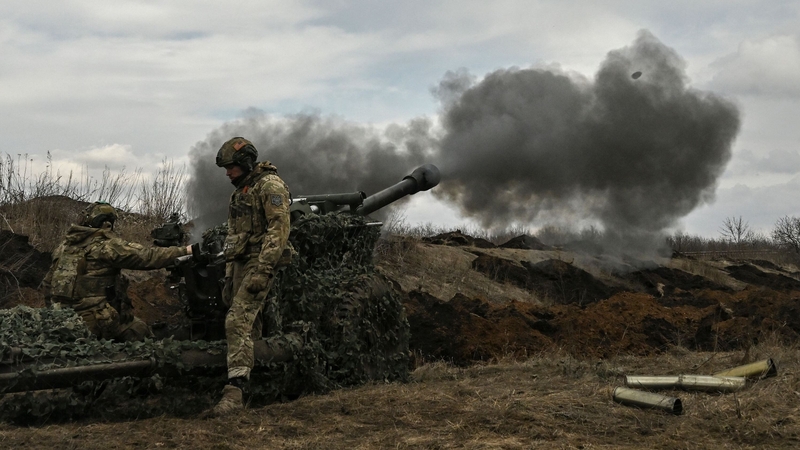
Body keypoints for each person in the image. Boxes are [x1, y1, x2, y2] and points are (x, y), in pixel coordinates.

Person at [209, 137, 291, 416]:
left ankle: (235, 393)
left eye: (231, 167)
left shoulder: (270, 186)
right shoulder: (241, 191)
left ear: (245, 163)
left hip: (260, 263)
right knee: (249, 327)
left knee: (238, 320)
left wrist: (264, 269)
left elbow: (278, 230)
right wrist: (230, 274)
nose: (228, 173)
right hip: (241, 265)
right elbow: (235, 237)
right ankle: (263, 384)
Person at [42, 201, 192, 341]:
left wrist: (57, 315)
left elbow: (47, 285)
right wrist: (185, 250)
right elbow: (147, 257)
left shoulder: (63, 247)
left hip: (62, 320)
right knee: (140, 330)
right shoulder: (104, 247)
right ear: (107, 223)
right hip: (91, 321)